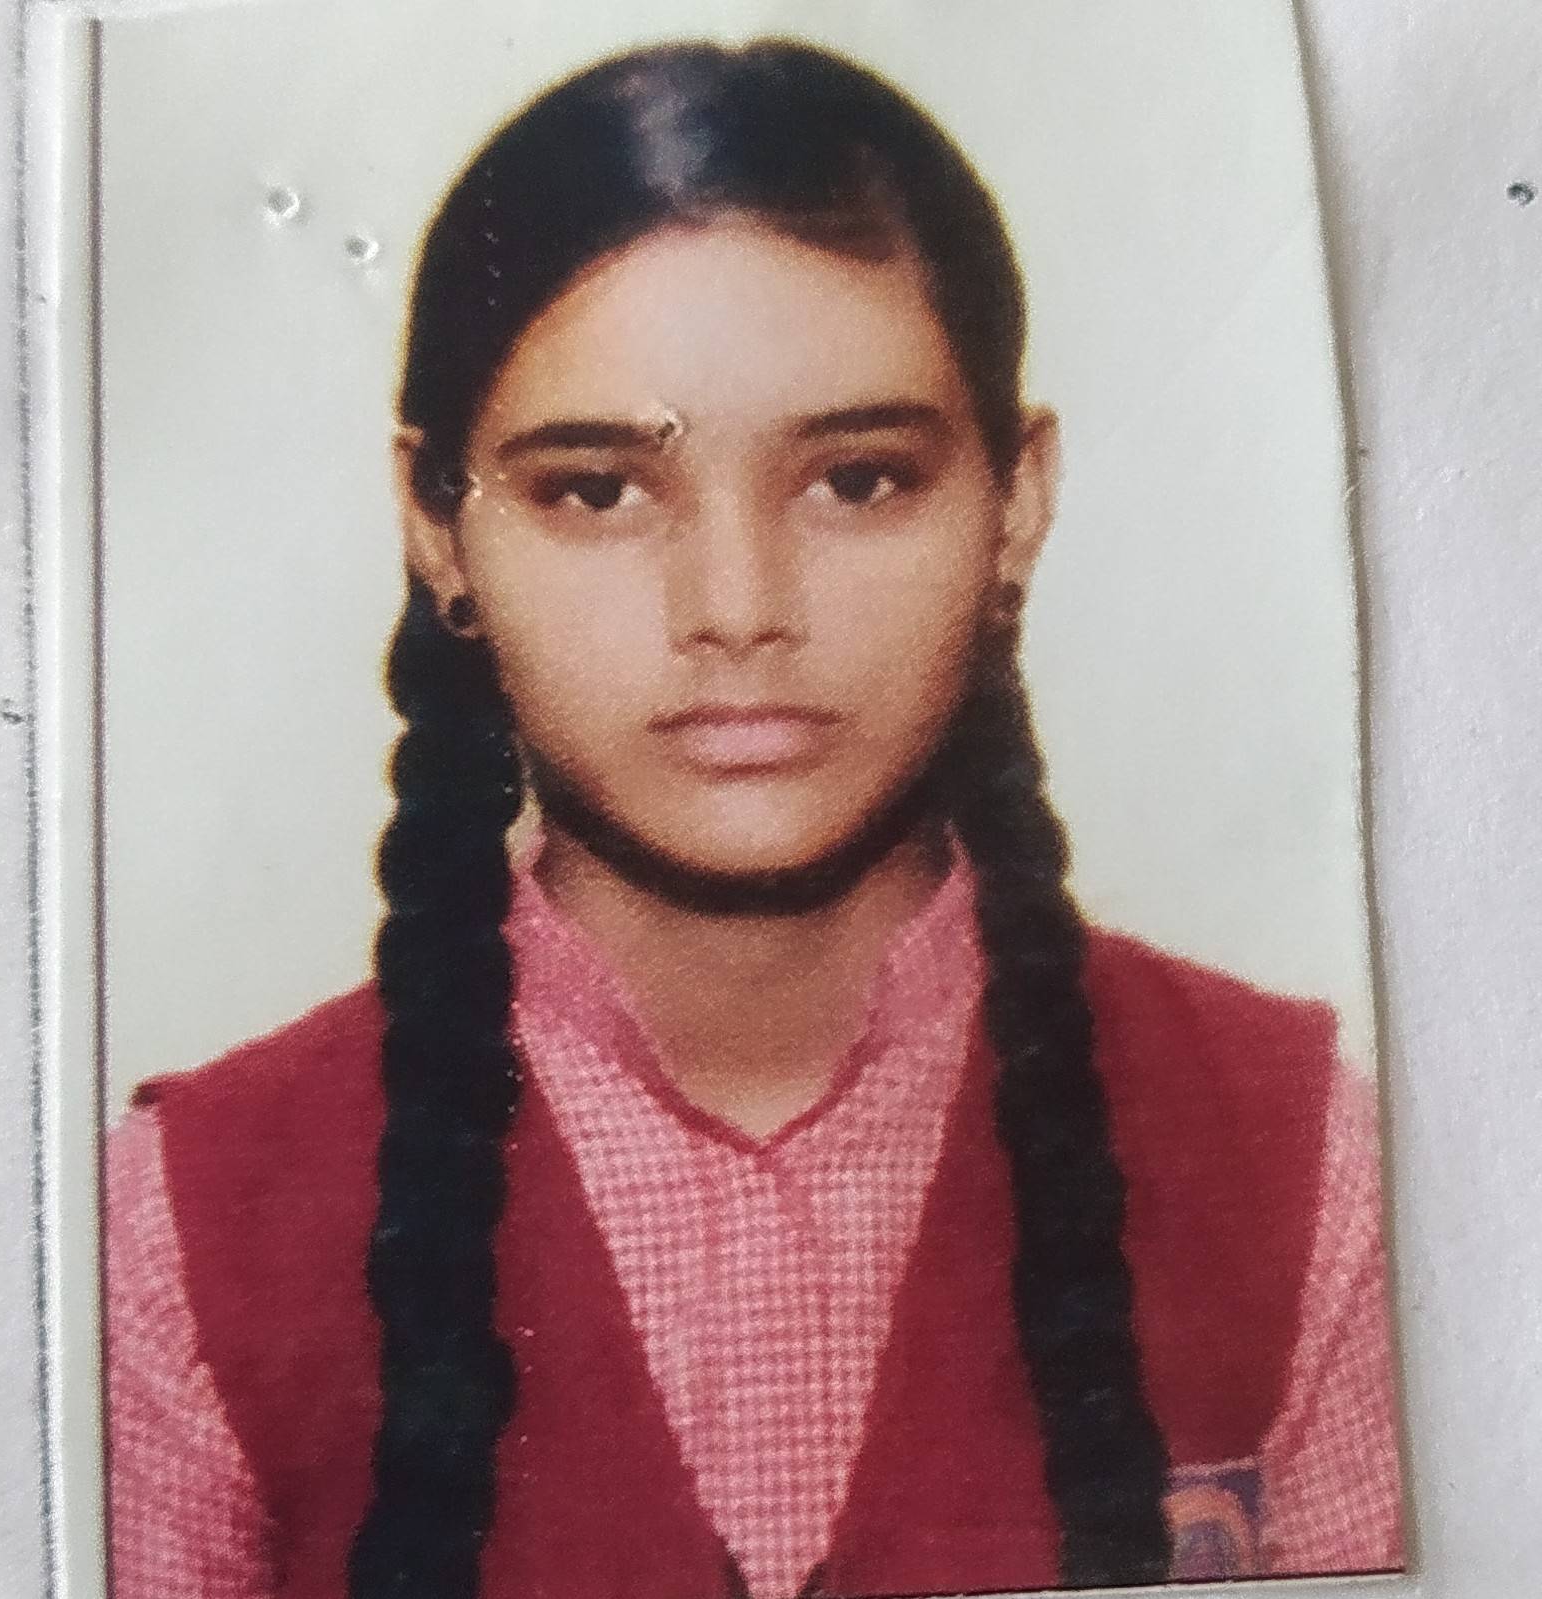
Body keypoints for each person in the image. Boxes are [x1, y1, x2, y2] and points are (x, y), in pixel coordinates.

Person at [103, 37, 1403, 1599]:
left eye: (857, 481)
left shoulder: (1309, 1171)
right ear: (439, 527)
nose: (735, 607)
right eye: (597, 490)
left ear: (1017, 503)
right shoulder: (179, 1239)